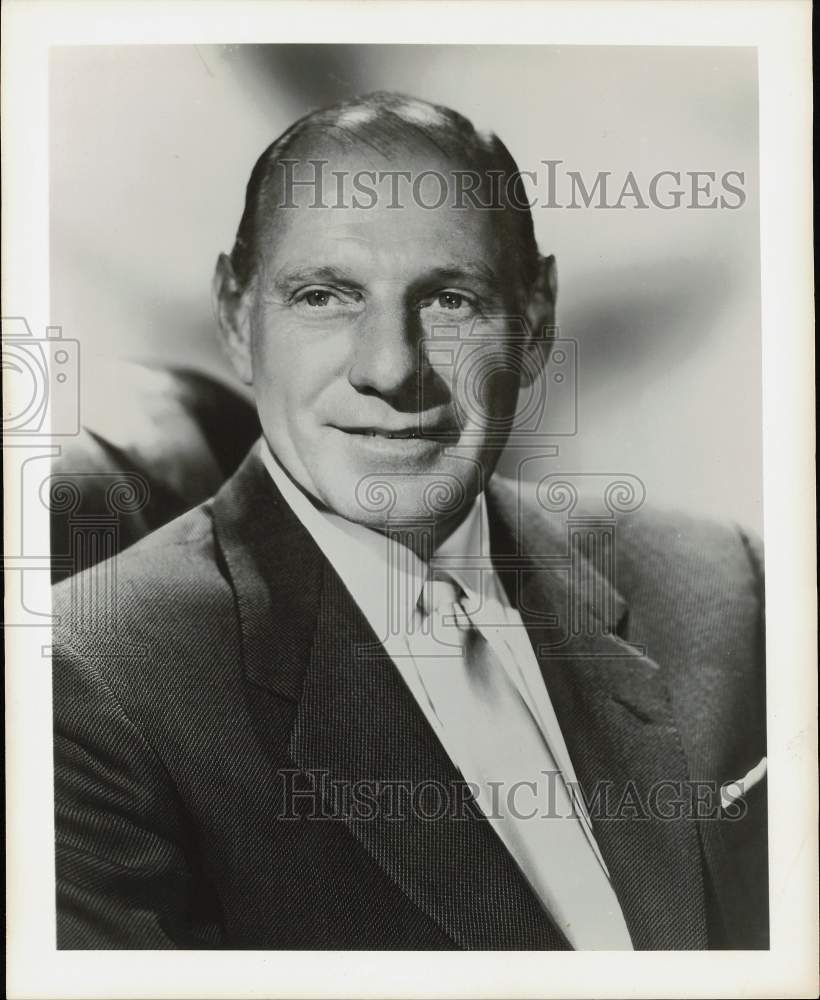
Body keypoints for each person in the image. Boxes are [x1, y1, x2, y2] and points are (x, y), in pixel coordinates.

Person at [52, 92, 767, 950]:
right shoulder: (92, 688)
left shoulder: (723, 586)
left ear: (535, 321)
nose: (391, 368)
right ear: (237, 318)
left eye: (451, 302)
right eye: (324, 296)